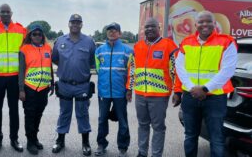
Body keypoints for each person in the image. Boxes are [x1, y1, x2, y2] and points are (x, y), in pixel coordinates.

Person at [175, 11, 237, 157]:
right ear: (195, 24)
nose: (205, 24)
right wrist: (192, 88)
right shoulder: (186, 42)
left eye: (208, 21)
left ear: (214, 24)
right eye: (201, 22)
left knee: (216, 138)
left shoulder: (226, 42)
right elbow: (180, 67)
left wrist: (205, 88)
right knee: (190, 135)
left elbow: (227, 71)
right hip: (191, 96)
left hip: (215, 98)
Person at [127, 18, 181, 157]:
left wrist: (178, 91)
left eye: (152, 26)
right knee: (142, 125)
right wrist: (129, 88)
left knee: (158, 127)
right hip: (140, 94)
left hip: (159, 96)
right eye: (147, 27)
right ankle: (142, 153)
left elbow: (176, 70)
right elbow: (132, 69)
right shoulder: (138, 46)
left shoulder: (169, 45)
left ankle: (156, 154)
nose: (149, 29)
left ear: (159, 27)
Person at [0, 3, 27, 153]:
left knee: (14, 109)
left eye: (8, 12)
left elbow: (25, 54)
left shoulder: (21, 30)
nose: (5, 14)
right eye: (3, 12)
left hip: (14, 76)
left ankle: (14, 139)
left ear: (12, 13)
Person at [51, 14, 96, 156]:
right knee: (64, 113)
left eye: (78, 22)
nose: (75, 24)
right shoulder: (60, 41)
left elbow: (92, 62)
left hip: (82, 85)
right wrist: (68, 68)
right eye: (73, 22)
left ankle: (85, 143)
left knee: (83, 113)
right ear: (68, 24)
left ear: (82, 24)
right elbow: (56, 60)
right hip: (65, 84)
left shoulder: (89, 41)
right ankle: (60, 141)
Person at [94, 23, 133, 157]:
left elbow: (131, 73)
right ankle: (101, 144)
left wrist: (129, 89)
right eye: (109, 31)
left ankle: (123, 147)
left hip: (120, 92)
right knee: (102, 119)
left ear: (120, 33)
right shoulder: (99, 51)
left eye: (115, 31)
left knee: (122, 120)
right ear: (107, 33)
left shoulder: (127, 51)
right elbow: (99, 70)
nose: (112, 33)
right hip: (103, 92)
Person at [18, 24, 54, 155]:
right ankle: (30, 142)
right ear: (30, 36)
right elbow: (21, 71)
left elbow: (49, 67)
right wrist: (21, 89)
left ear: (42, 36)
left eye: (39, 34)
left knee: (38, 115)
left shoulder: (48, 49)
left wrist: (52, 83)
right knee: (30, 116)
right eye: (34, 34)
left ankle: (35, 138)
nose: (37, 36)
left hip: (43, 89)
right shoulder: (24, 49)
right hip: (29, 88)